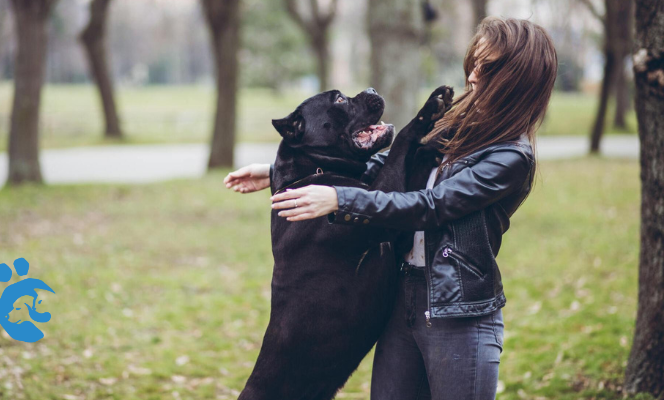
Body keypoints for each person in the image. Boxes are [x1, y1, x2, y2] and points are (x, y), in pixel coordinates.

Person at [224, 16, 557, 400]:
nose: (474, 77)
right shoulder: (459, 126)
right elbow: (390, 172)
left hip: (457, 315)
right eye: (474, 63)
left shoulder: (510, 156)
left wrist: (339, 199)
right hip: (403, 303)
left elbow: (431, 205)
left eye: (488, 68)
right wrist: (280, 171)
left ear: (519, 78)